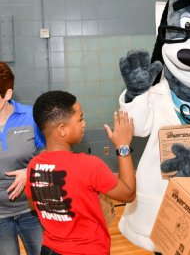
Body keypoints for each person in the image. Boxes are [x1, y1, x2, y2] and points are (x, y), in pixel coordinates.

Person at [25, 90, 136, 255]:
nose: (84, 124)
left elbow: (33, 205)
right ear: (62, 129)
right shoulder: (88, 165)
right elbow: (128, 193)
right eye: (80, 119)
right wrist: (123, 146)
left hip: (49, 250)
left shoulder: (33, 166)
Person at [0, 61, 45, 255]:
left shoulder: (30, 116)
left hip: (32, 210)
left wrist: (31, 171)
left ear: (7, 94)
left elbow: (51, 155)